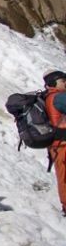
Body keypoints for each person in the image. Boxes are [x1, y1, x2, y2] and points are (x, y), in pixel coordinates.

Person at [43, 70, 66, 217]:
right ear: (54, 83)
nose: (65, 83)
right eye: (63, 81)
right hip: (63, 145)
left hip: (57, 146)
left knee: (63, 177)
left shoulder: (49, 97)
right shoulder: (58, 97)